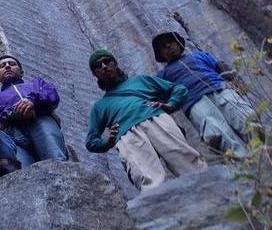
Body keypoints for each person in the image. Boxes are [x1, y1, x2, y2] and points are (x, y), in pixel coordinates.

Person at [86, 49, 206, 191]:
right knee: (147, 178)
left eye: (107, 61)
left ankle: (211, 190)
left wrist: (170, 105)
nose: (104, 67)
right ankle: (163, 208)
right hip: (126, 135)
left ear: (115, 64)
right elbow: (91, 141)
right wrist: (108, 142)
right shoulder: (99, 107)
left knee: (185, 159)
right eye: (98, 65)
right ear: (95, 74)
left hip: (156, 118)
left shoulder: (140, 80)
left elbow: (178, 89)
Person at [153, 31, 254, 156]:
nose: (168, 46)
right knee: (217, 134)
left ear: (179, 43)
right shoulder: (162, 76)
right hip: (194, 104)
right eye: (163, 46)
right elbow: (164, 102)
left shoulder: (198, 55)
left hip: (220, 89)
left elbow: (219, 66)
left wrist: (236, 81)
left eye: (171, 42)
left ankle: (270, 153)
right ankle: (247, 164)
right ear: (160, 53)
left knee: (246, 119)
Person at [0, 54, 69, 165]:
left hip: (40, 121)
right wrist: (16, 111)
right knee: (24, 171)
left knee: (56, 159)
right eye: (2, 66)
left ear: (22, 72)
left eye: (12, 64)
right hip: (13, 134)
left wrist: (33, 101)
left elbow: (52, 95)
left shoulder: (37, 84)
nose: (7, 66)